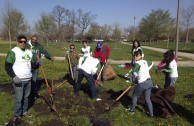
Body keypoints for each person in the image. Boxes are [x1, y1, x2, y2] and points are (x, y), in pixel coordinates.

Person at [5, 35, 39, 124]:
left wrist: (37, 63)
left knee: (26, 97)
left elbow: (32, 65)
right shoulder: (13, 52)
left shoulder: (28, 52)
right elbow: (7, 66)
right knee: (19, 99)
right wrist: (14, 76)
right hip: (18, 80)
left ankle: (24, 112)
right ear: (17, 42)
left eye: (24, 42)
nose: (23, 43)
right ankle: (17, 116)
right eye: (21, 41)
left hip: (28, 79)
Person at [26, 35, 54, 102]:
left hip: (36, 66)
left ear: (37, 40)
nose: (34, 41)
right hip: (27, 66)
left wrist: (50, 57)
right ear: (31, 39)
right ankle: (26, 95)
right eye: (33, 39)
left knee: (33, 81)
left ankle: (32, 95)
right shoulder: (27, 45)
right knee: (27, 81)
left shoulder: (39, 46)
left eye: (35, 40)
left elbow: (45, 52)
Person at [126, 49, 154, 117]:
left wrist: (136, 77)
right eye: (134, 55)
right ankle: (151, 114)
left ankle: (131, 110)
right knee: (147, 98)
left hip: (142, 83)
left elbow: (134, 71)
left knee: (135, 96)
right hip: (150, 82)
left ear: (141, 56)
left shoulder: (137, 63)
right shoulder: (145, 61)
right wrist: (147, 69)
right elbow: (152, 62)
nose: (135, 56)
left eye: (137, 55)